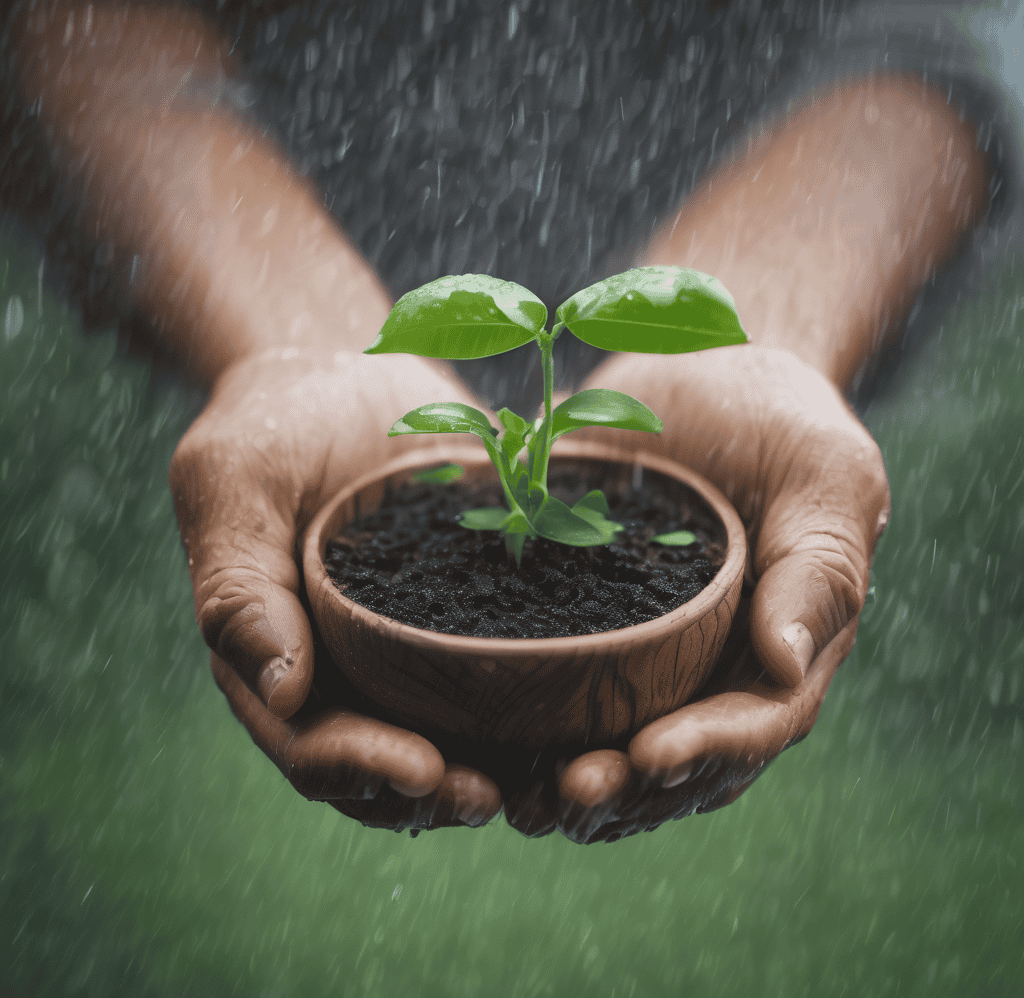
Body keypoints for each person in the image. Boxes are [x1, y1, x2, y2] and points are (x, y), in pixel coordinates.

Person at [2, 0, 992, 842]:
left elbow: (946, 23)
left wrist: (769, 325)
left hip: (787, 180)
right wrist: (289, 338)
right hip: (224, 231)